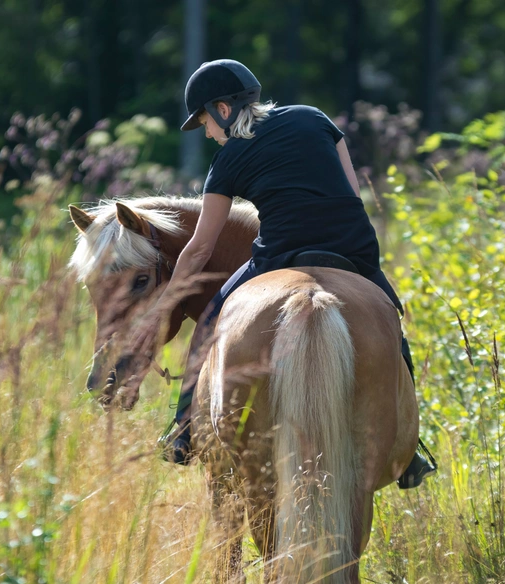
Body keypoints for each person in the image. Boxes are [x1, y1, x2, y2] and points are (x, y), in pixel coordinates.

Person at [159, 59, 435, 489]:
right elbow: (352, 193)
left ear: (223, 110)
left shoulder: (227, 159)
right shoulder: (314, 117)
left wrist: (166, 299)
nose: (209, 133)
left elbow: (200, 248)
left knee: (212, 318)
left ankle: (182, 430)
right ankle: (410, 447)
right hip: (354, 247)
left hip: (281, 254)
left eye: (204, 123)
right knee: (391, 321)